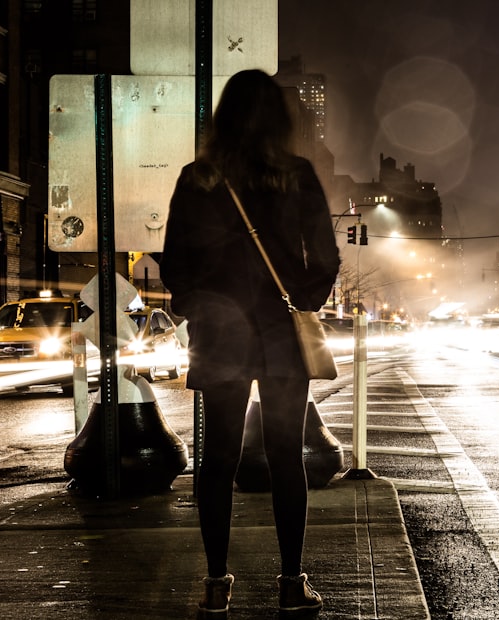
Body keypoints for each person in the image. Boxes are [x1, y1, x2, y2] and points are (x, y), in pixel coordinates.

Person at [161, 69, 340, 618]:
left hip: (221, 336)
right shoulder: (298, 175)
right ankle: (290, 583)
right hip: (281, 335)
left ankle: (216, 584)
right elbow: (327, 258)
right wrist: (299, 301)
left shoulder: (199, 177)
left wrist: (202, 305)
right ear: (279, 120)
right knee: (287, 457)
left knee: (217, 461)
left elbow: (174, 262)